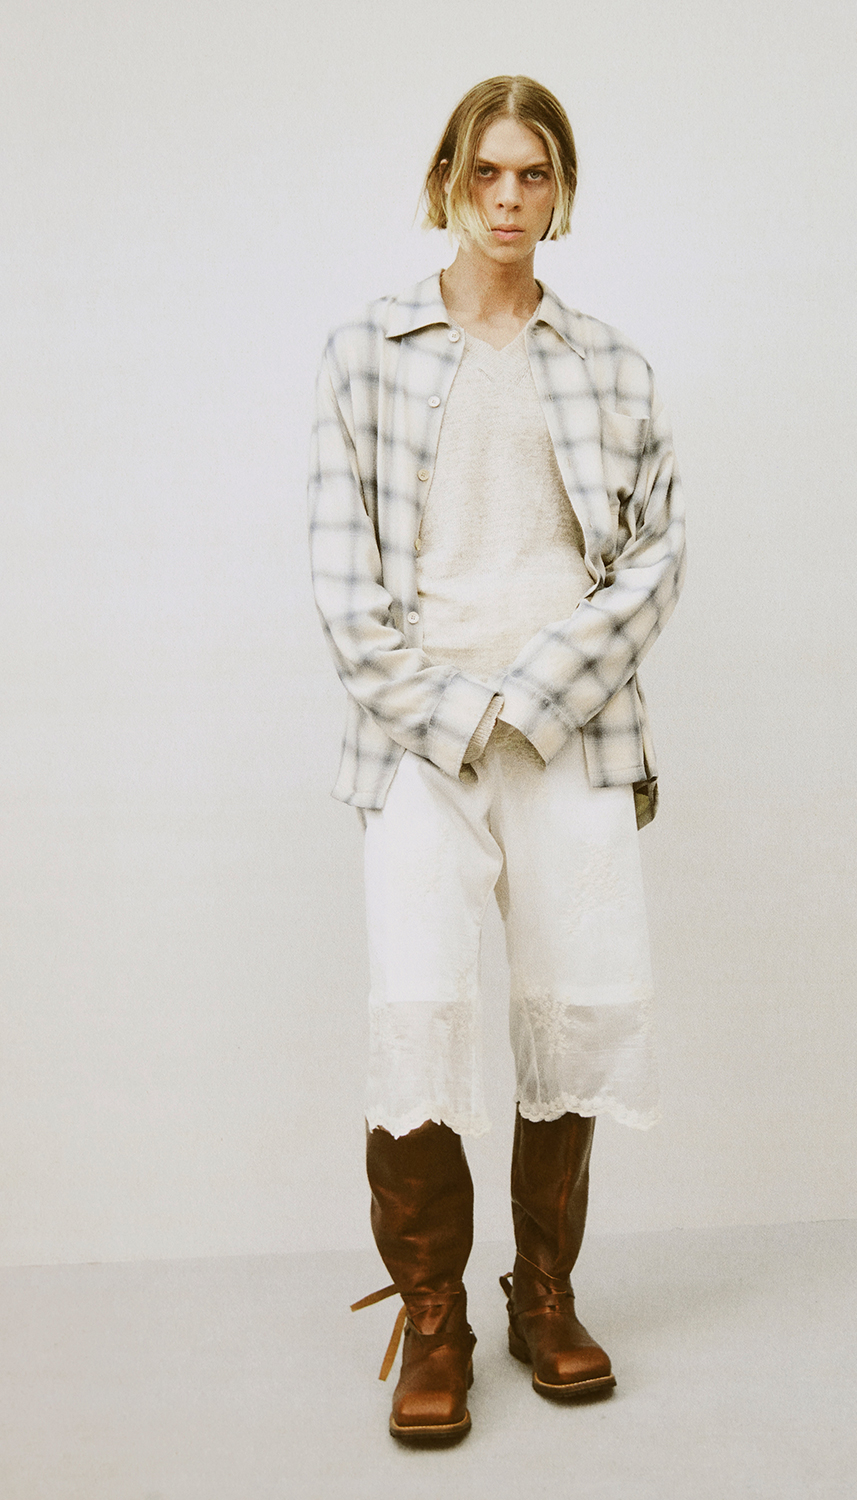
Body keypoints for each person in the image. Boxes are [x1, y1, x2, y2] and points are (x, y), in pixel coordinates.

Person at [308, 75, 685, 1443]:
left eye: (535, 175)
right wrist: (457, 714)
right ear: (447, 182)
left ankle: (544, 1296)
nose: (510, 199)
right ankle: (431, 1317)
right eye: (488, 173)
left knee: (567, 1006)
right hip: (419, 738)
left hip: (570, 732)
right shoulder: (368, 353)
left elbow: (653, 560)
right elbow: (343, 585)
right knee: (418, 1003)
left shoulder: (611, 366)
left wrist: (531, 698)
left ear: (561, 192)